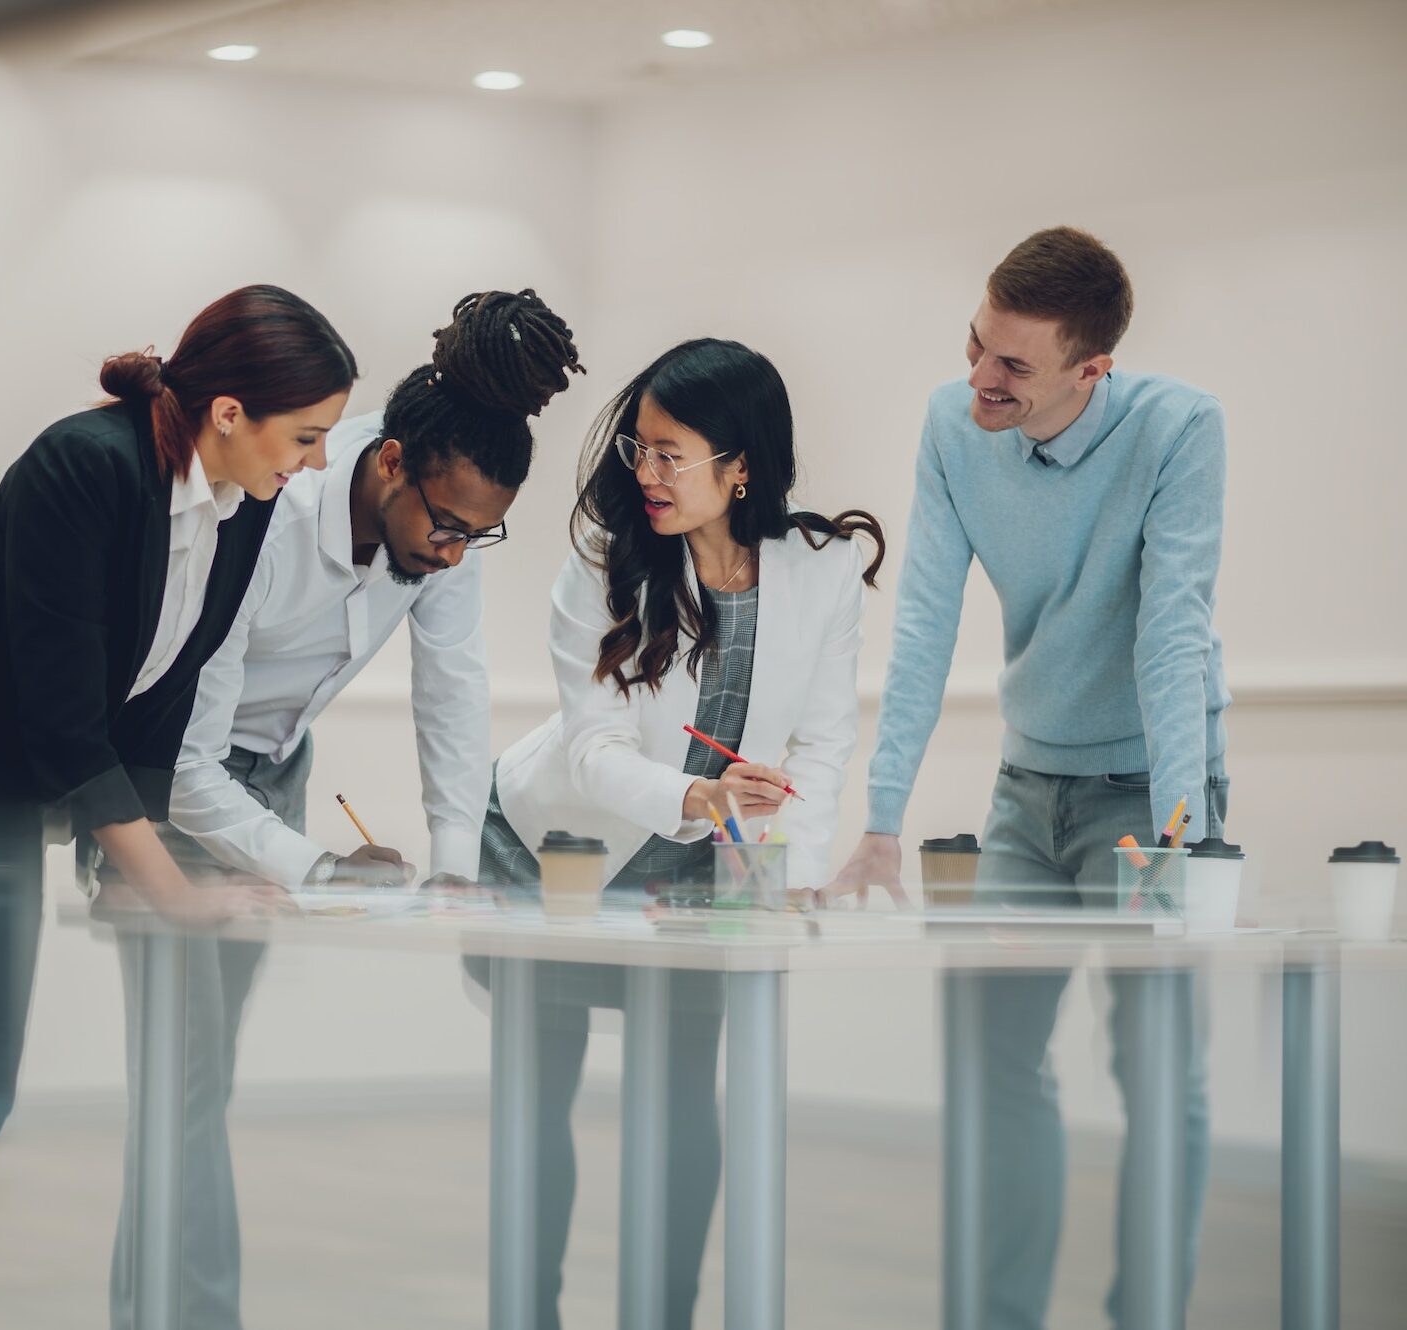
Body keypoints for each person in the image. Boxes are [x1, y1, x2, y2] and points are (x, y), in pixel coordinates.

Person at [0, 285, 357, 1330]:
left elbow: (161, 701)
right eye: (308, 435)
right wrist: (172, 891)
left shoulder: (245, 501)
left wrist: (123, 873)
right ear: (229, 411)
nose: (317, 461)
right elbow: (62, 717)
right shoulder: (82, 464)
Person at [105, 290, 585, 1329]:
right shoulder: (274, 504)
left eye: (479, 536)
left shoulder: (444, 526)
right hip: (169, 780)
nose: (455, 550)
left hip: (269, 773)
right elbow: (189, 759)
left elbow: (451, 690)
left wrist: (452, 863)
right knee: (179, 1089)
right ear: (387, 465)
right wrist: (316, 871)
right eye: (448, 524)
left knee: (196, 1088)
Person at [826, 227, 1231, 1328]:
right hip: (1025, 792)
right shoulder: (951, 430)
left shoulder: (1178, 428)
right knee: (991, 1063)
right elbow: (920, 623)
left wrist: (1184, 834)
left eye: (1011, 365)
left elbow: (1172, 632)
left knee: (1156, 1077)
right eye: (974, 346)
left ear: (1087, 368)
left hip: (1150, 794)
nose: (979, 380)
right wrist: (879, 819)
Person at [476, 337, 885, 1328]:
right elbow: (591, 748)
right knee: (537, 1102)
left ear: (740, 464)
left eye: (672, 453)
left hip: (702, 864)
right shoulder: (603, 559)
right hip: (559, 845)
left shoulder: (819, 571)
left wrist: (781, 877)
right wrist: (698, 801)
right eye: (638, 449)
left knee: (677, 1103)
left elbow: (823, 745)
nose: (647, 474)